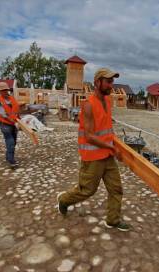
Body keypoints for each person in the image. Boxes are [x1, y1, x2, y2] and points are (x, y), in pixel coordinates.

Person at [57, 68, 130, 232]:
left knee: (116, 189)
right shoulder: (89, 105)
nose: (112, 85)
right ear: (98, 82)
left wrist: (115, 145)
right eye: (108, 81)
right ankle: (64, 200)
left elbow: (106, 128)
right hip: (93, 157)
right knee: (87, 191)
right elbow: (89, 136)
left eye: (113, 81)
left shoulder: (107, 101)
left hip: (107, 155)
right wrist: (111, 146)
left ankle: (113, 220)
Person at [0, 82, 20, 169]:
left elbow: (16, 110)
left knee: (14, 141)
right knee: (10, 141)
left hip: (13, 123)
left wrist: (19, 121)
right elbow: (4, 114)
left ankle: (8, 156)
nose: (5, 92)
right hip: (5, 124)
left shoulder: (12, 99)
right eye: (3, 90)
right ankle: (11, 161)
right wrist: (14, 121)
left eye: (6, 90)